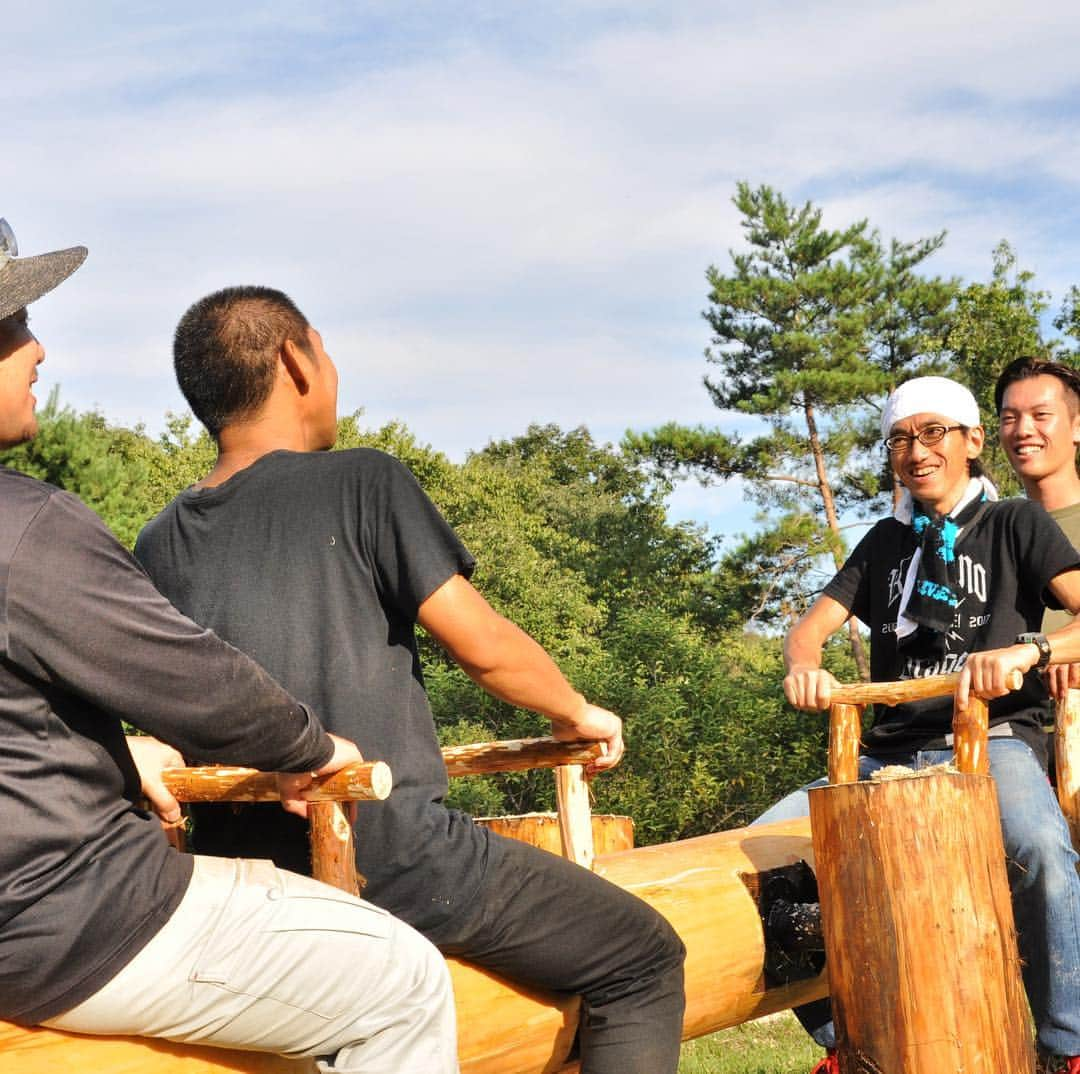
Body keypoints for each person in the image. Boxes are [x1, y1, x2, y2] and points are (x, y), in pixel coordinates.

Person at [134, 286, 687, 1074]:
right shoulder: (363, 482)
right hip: (394, 859)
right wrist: (577, 712)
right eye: (324, 351)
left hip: (241, 884)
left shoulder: (159, 541)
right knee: (643, 957)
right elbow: (485, 645)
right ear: (297, 359)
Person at [0, 220, 457, 1074]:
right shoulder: (26, 529)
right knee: (401, 977)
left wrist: (103, 748)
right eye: (16, 327)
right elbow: (191, 678)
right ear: (298, 363)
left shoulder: (136, 530)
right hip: (63, 918)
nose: (38, 351)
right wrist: (313, 746)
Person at [755, 376, 1080, 1074]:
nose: (915, 450)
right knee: (762, 853)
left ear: (971, 441)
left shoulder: (1014, 524)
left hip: (993, 740)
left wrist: (1032, 649)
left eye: (933, 432)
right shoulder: (885, 541)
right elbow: (808, 634)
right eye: (900, 438)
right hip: (882, 755)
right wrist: (805, 668)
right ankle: (844, 1044)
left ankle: (1065, 1048)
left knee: (1042, 856)